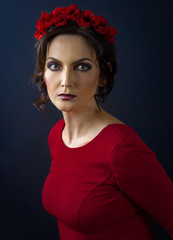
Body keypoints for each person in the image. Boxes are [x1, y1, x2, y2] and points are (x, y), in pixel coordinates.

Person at [33, 4, 173, 240]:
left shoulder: (121, 149)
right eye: (55, 66)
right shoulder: (58, 135)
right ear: (43, 72)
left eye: (82, 66)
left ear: (103, 75)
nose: (66, 81)